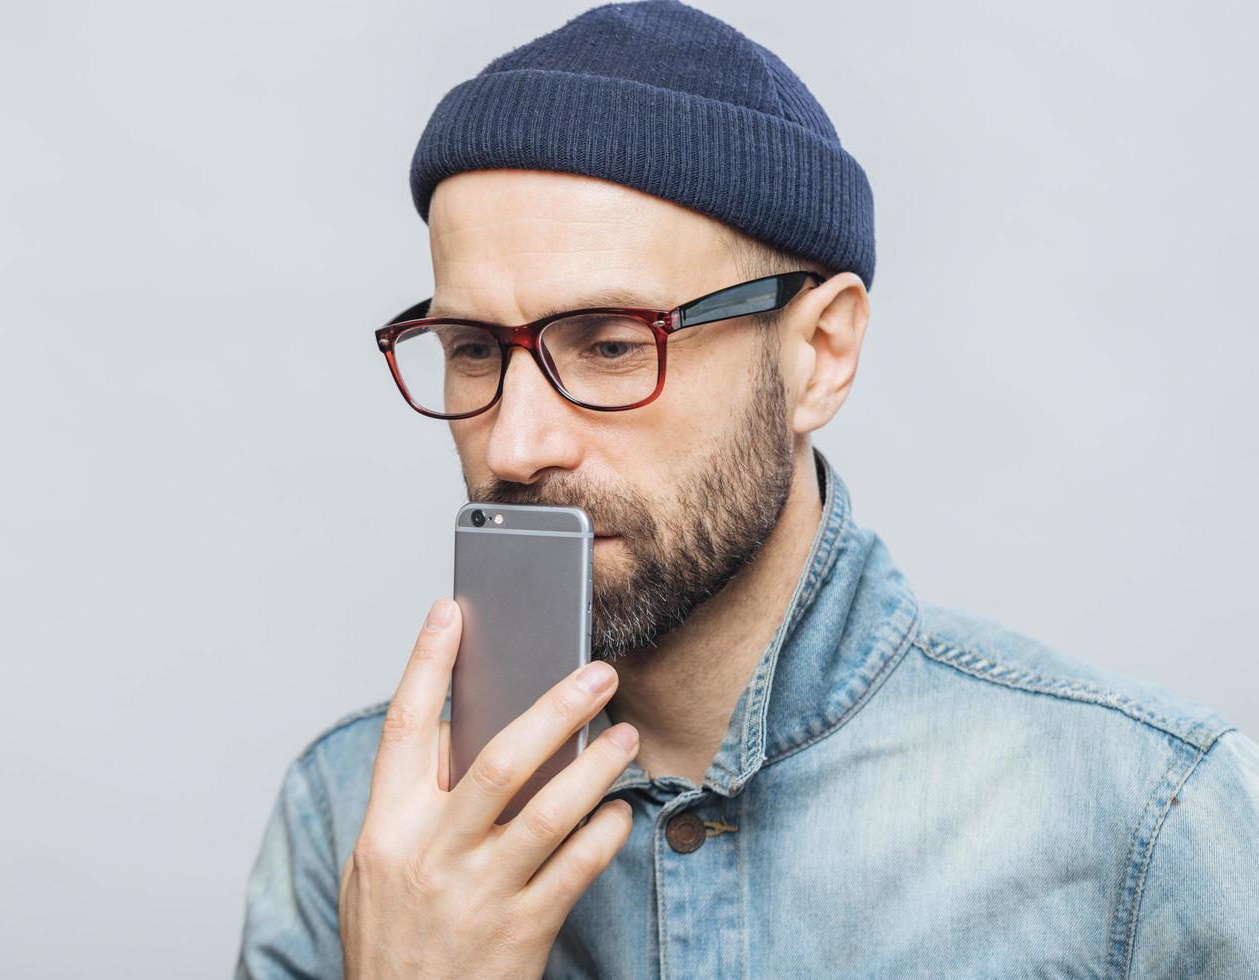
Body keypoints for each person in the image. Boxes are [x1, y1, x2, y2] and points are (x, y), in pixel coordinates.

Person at [236, 2, 1259, 976]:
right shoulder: (354, 819)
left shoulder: (1145, 818)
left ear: (819, 352)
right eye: (470, 348)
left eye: (609, 343)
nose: (513, 441)